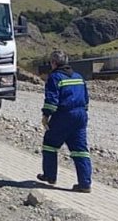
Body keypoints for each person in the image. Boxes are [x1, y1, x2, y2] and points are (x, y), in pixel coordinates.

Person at [37, 50, 92, 192]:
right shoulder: (78, 77)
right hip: (80, 116)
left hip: (64, 115)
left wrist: (46, 115)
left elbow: (52, 100)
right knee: (80, 150)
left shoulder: (55, 77)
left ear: (54, 63)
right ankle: (85, 184)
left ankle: (50, 176)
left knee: (50, 144)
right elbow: (86, 100)